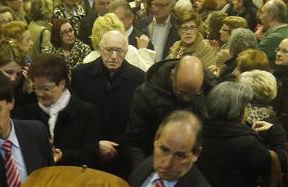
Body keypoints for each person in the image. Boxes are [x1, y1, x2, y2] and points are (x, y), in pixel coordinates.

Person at [69, 29, 146, 178]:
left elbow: (137, 122)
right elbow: (76, 118)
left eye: (119, 51)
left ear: (126, 50)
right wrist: (95, 146)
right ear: (100, 49)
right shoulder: (81, 74)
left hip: (123, 157)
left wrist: (116, 147)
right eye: (109, 50)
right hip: (88, 154)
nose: (114, 56)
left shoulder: (138, 78)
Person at [128, 111, 224, 187]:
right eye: (164, 150)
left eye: (180, 156)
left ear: (196, 154)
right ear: (156, 138)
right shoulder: (144, 166)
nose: (167, 163)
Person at [123, 56, 208, 171]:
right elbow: (134, 140)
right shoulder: (146, 94)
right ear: (173, 75)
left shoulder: (208, 86)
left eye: (192, 94)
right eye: (181, 92)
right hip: (152, 162)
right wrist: (143, 172)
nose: (186, 99)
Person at [16, 54, 101, 167]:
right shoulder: (26, 111)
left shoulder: (86, 112)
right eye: (36, 88)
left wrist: (63, 155)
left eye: (46, 89)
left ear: (62, 83)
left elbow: (91, 155)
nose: (40, 94)